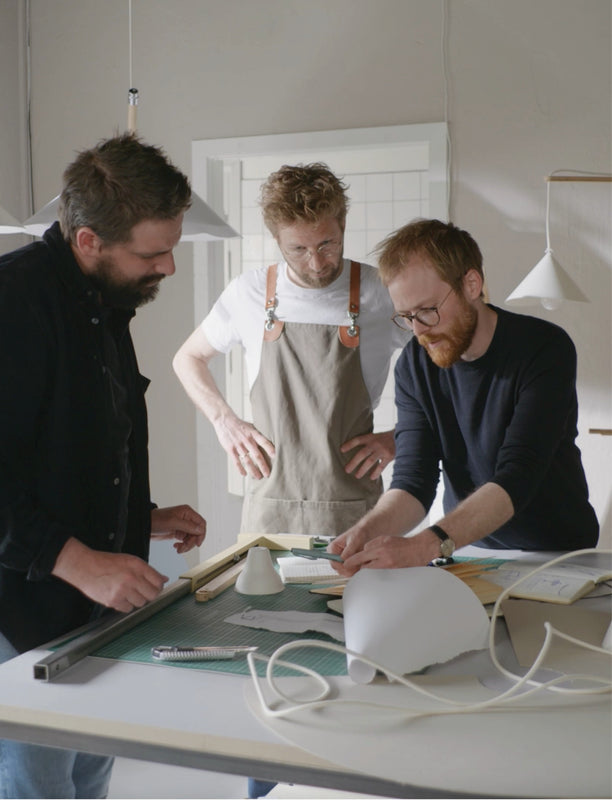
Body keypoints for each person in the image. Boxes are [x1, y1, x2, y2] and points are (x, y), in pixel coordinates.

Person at [0, 133, 207, 799]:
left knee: (89, 779)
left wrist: (138, 517)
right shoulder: (13, 302)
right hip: (19, 613)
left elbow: (74, 442)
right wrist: (78, 559)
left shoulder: (106, 300)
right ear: (88, 240)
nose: (168, 266)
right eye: (152, 254)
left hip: (89, 612)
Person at [329, 218, 599, 574]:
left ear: (471, 284)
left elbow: (518, 475)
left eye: (428, 310)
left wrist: (424, 545)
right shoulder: (414, 364)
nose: (419, 330)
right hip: (469, 548)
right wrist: (366, 532)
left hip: (557, 553)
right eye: (407, 317)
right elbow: (413, 480)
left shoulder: (544, 348)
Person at [173, 162, 408, 536]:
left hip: (352, 511)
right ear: (276, 239)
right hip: (270, 510)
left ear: (343, 226)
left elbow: (449, 361)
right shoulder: (248, 292)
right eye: (298, 248)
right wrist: (224, 421)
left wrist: (401, 436)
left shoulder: (382, 292)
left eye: (327, 244)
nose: (316, 263)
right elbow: (188, 358)